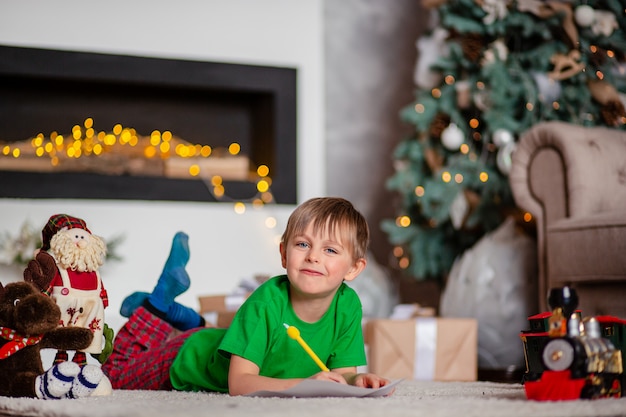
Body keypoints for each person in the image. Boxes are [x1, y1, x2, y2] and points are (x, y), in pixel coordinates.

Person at [102, 197, 392, 395]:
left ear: (354, 268)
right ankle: (157, 305)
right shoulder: (266, 301)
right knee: (111, 376)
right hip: (187, 358)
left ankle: (185, 317)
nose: (314, 257)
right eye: (303, 244)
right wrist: (305, 384)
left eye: (330, 250)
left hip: (217, 341)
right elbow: (239, 384)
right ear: (283, 253)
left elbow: (342, 372)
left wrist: (358, 379)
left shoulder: (348, 305)